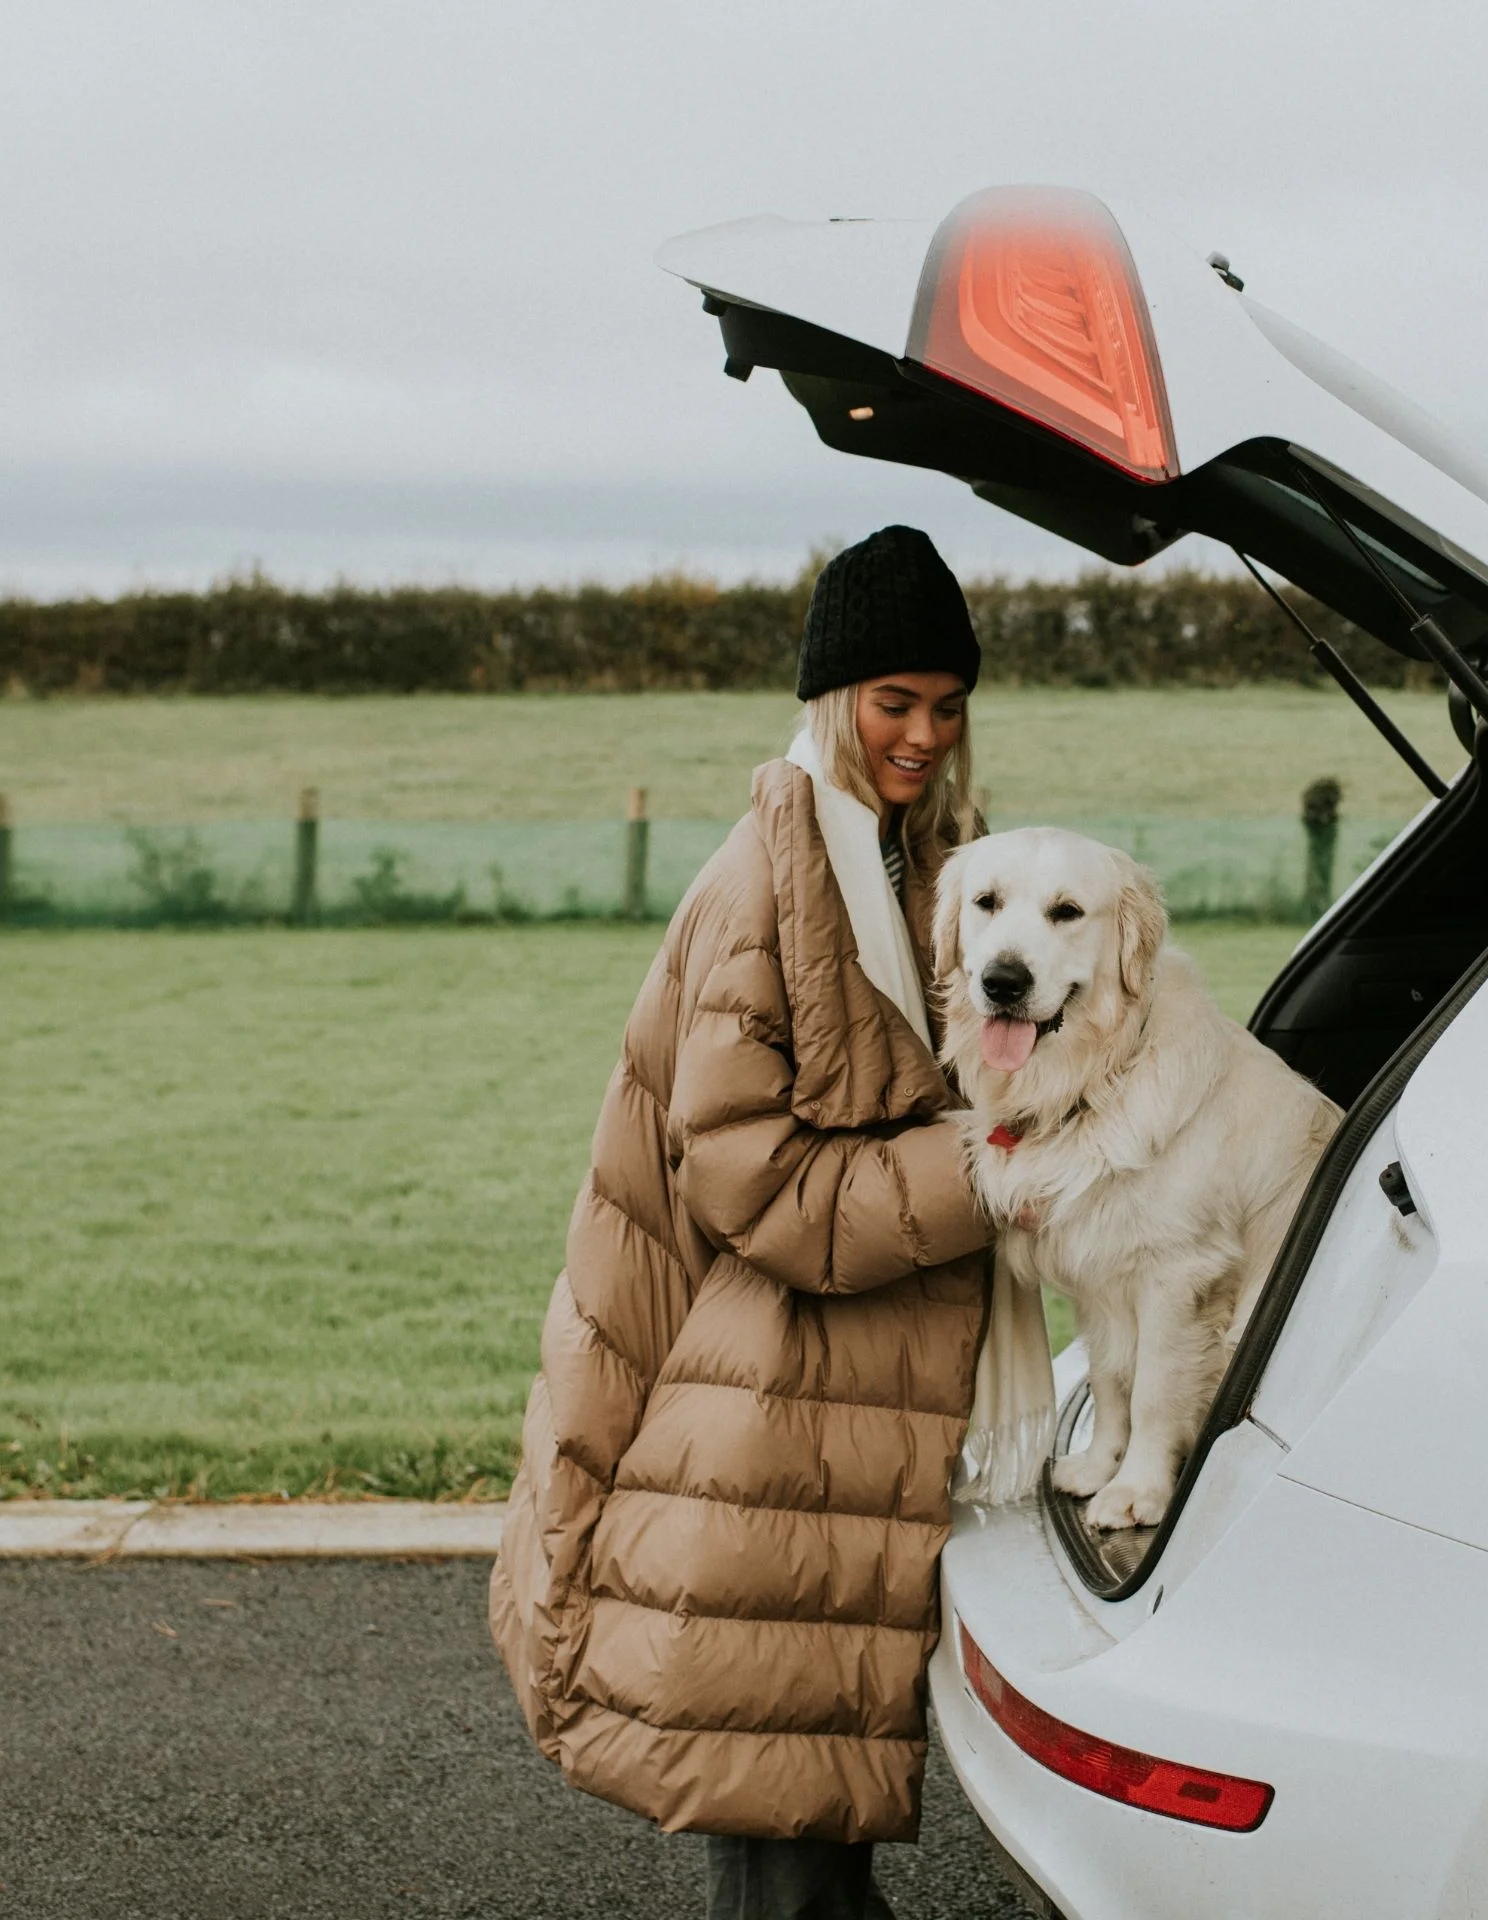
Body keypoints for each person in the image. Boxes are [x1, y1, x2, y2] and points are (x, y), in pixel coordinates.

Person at [490, 525, 1025, 1920]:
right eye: (893, 702)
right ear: (830, 699)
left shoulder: (920, 860)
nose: (922, 733)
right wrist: (996, 1167)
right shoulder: (764, 884)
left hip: (838, 1418)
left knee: (808, 1837)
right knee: (788, 1854)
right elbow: (760, 1188)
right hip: (768, 1420)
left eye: (947, 705)